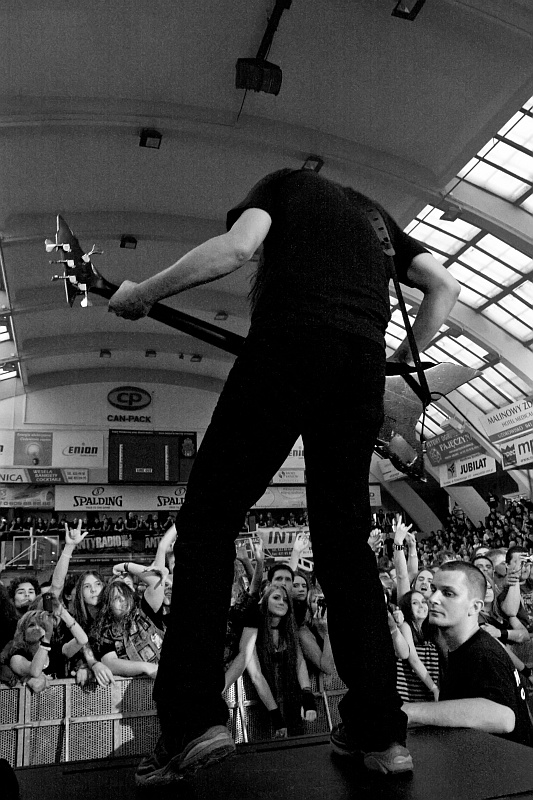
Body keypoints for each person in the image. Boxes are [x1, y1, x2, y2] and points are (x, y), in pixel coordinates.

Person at [109, 166, 459, 782]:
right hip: (358, 371)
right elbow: (444, 287)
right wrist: (397, 360)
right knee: (344, 543)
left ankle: (190, 723)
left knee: (209, 523)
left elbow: (237, 248)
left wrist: (145, 292)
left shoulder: (284, 187)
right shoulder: (374, 217)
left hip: (288, 347)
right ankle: (378, 732)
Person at [402, 561, 533, 748]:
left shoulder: (482, 653)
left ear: (475, 607)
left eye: (448, 593)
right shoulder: (465, 647)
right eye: (433, 589)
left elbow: (504, 718)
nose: (433, 598)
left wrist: (408, 711)